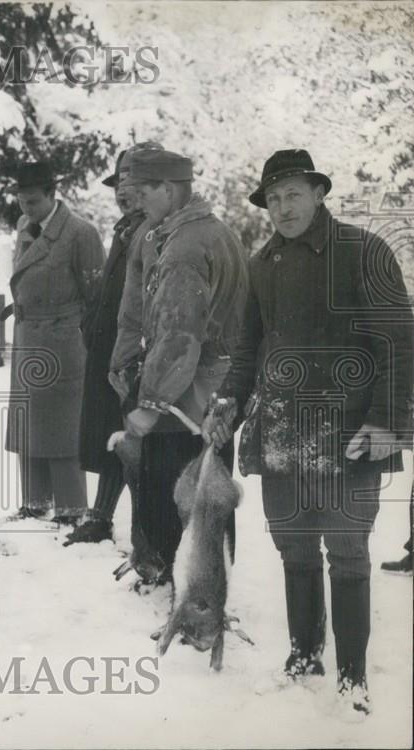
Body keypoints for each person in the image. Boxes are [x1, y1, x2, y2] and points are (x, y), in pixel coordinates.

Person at [203, 149, 413, 714]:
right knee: (293, 547)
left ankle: (352, 679)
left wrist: (390, 423)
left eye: (293, 193)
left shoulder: (362, 251)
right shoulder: (261, 262)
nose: (282, 206)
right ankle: (303, 656)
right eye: (272, 197)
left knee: (347, 552)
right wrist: (228, 401)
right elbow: (248, 349)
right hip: (282, 431)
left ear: (319, 193)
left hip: (350, 432)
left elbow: (399, 341)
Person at [109, 149, 248, 584]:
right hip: (207, 385)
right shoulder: (195, 231)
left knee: (187, 494)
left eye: (144, 191)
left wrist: (152, 402)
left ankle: (193, 594)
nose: (135, 198)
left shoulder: (187, 247)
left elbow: (178, 332)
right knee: (206, 490)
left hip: (187, 393)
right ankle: (192, 584)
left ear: (168, 190)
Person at [67, 142, 161, 545]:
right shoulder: (126, 229)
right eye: (120, 178)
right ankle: (101, 516)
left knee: (139, 441)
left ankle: (146, 534)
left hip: (138, 353)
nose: (124, 188)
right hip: (109, 347)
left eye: (133, 178)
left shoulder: (157, 231)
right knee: (111, 432)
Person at [4, 161, 104, 526]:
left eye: (32, 202)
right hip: (28, 338)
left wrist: (83, 344)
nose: (26, 209)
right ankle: (34, 503)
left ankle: (70, 509)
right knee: (28, 424)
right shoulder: (23, 228)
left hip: (64, 345)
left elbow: (98, 297)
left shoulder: (80, 233)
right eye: (21, 202)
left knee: (62, 429)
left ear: (52, 195)